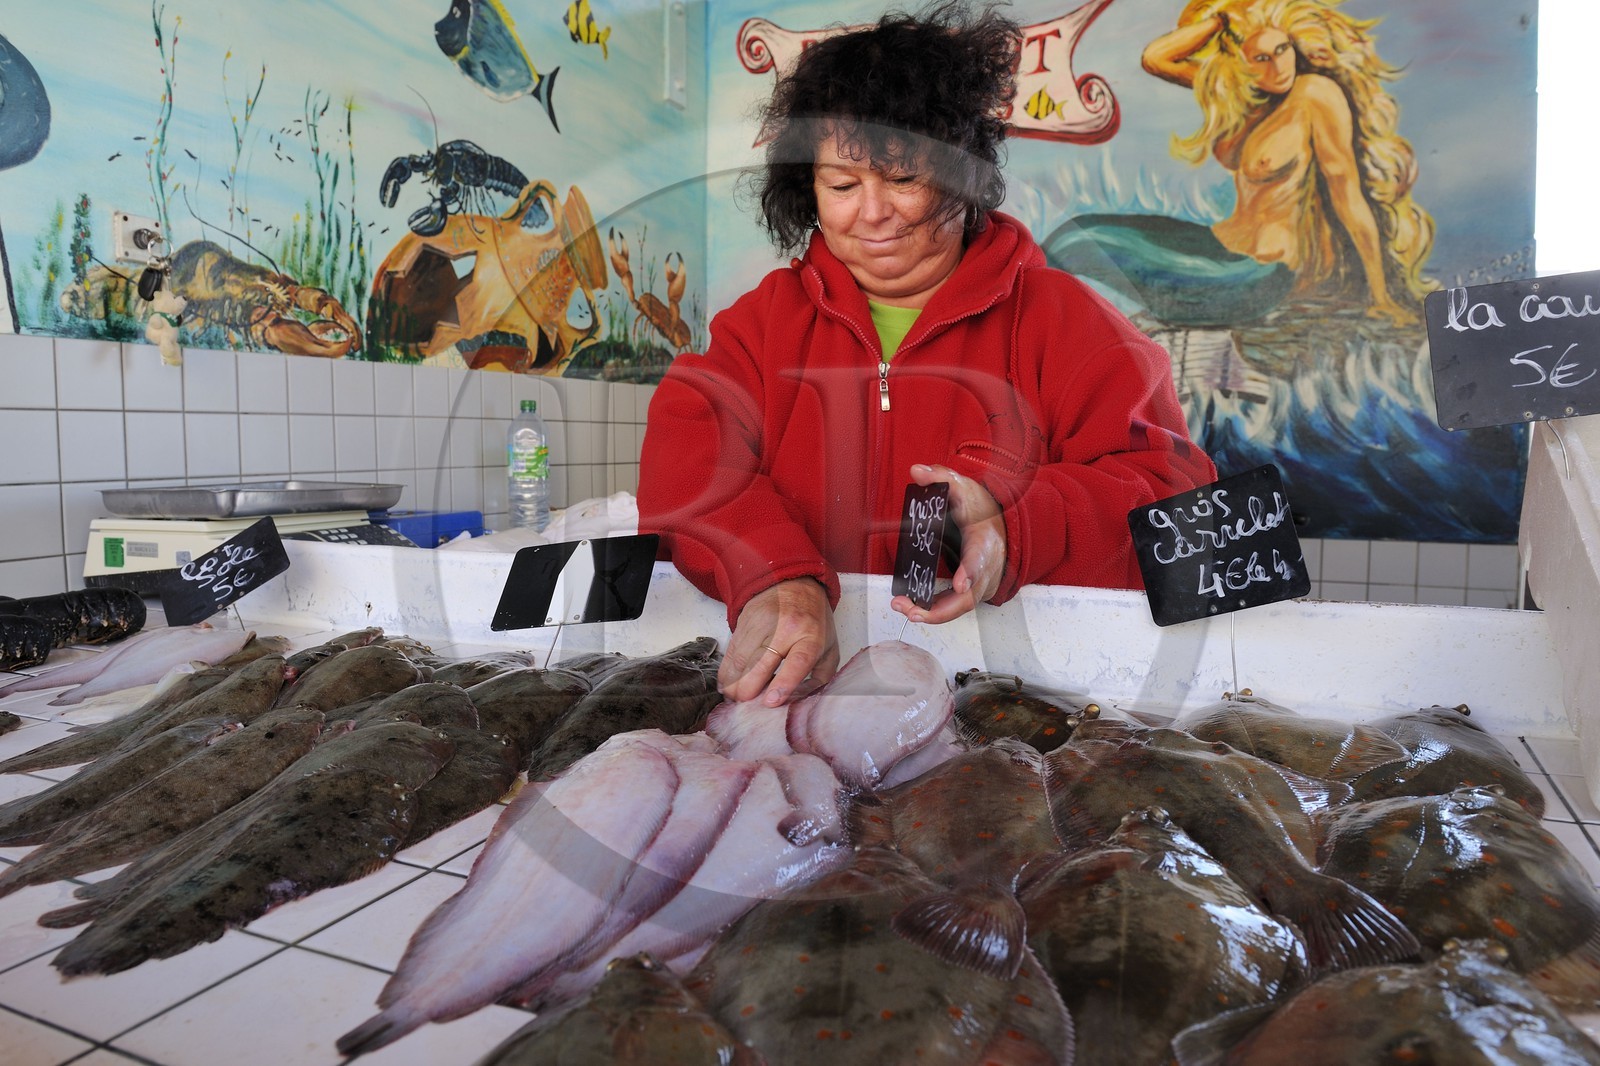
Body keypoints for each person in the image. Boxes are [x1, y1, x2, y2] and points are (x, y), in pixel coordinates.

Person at [637, 1, 1215, 707]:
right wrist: (772, 574)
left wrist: (1014, 525)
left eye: (903, 179)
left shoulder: (1074, 325)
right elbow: (686, 470)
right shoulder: (758, 328)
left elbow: (1173, 497)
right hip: (808, 690)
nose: (871, 212)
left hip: (1018, 696)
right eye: (842, 185)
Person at [1070, 0, 1432, 327]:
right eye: (1262, 58)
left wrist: (1381, 296)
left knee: (1088, 249)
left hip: (1260, 273)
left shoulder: (1314, 95)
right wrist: (1217, 23)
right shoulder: (1239, 94)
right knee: (1077, 235)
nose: (1278, 66)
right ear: (1241, 62)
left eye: (1282, 49)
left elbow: (1347, 195)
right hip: (1221, 247)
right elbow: (1156, 58)